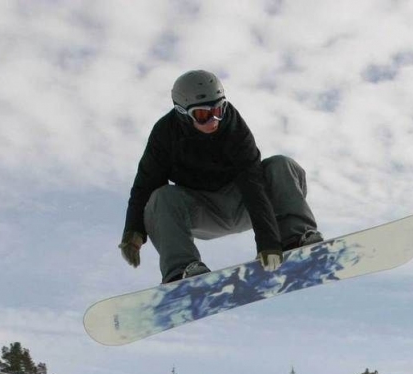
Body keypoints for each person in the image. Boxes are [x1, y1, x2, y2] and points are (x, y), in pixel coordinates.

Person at [119, 69, 323, 284]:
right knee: (161, 196)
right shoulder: (165, 134)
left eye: (218, 109)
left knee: (281, 165)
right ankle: (182, 270)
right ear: (182, 112)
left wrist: (269, 243)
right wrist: (134, 231)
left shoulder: (234, 126)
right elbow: (145, 185)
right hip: (203, 211)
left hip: (243, 202)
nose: (213, 120)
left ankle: (296, 238)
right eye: (202, 114)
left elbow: (253, 184)